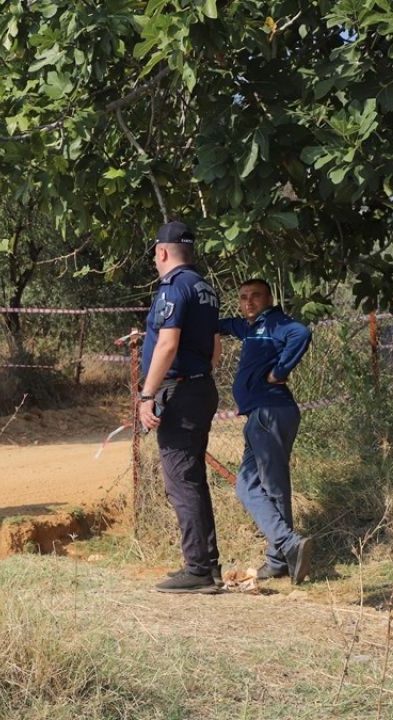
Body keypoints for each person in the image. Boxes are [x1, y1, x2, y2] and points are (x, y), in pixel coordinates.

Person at [139, 221, 223, 594]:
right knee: (194, 479)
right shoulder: (206, 288)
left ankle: (197, 570)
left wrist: (147, 394)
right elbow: (215, 345)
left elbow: (167, 344)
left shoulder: (174, 288)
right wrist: (199, 376)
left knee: (181, 481)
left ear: (161, 252)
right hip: (201, 387)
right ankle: (208, 563)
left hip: (180, 393)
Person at [216, 279, 314, 584]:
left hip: (270, 412)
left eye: (255, 296)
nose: (248, 302)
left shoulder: (275, 323)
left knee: (272, 486)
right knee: (249, 486)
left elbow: (302, 332)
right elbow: (218, 325)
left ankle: (286, 548)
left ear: (269, 298)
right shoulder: (250, 327)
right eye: (243, 297)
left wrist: (279, 371)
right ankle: (280, 558)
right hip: (260, 416)